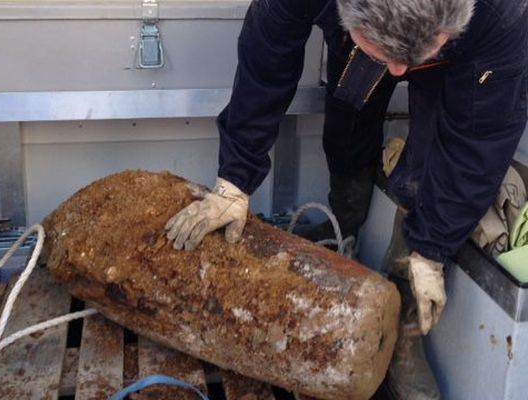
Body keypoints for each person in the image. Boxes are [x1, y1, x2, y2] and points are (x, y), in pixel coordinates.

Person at [165, 0, 528, 398]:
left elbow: (479, 140)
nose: (398, 73)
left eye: (410, 59)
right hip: (365, 36)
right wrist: (235, 179)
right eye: (385, 55)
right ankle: (344, 232)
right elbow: (266, 62)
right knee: (348, 124)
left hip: (460, 58)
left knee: (427, 163)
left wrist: (433, 250)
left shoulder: (501, 15)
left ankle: (403, 318)